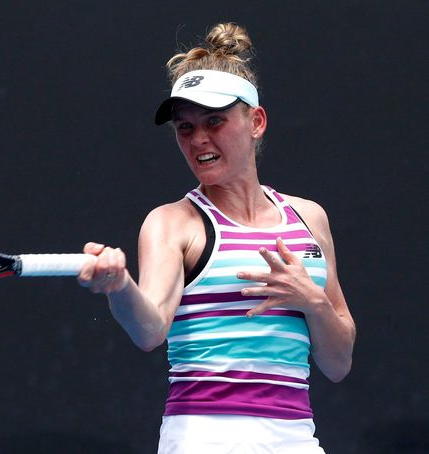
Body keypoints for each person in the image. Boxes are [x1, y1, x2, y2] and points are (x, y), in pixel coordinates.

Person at [77, 23, 355, 453]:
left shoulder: (309, 218)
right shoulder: (172, 223)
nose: (199, 139)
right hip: (203, 437)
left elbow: (338, 364)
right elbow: (149, 329)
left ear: (256, 122)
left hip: (297, 439)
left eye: (214, 121)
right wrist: (119, 287)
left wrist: (313, 301)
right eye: (184, 127)